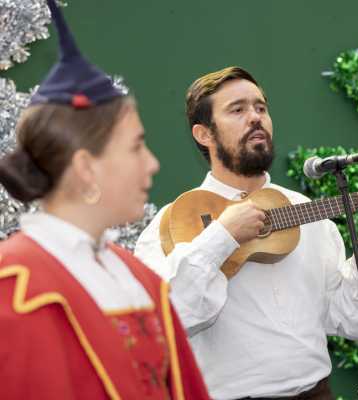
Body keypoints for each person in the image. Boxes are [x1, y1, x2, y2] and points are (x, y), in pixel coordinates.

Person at [134, 66, 358, 399]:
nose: (255, 117)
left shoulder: (305, 211)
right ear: (204, 134)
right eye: (237, 110)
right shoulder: (169, 223)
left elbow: (357, 321)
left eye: (260, 107)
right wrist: (222, 236)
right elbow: (166, 318)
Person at [0, 1, 211, 399]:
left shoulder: (139, 279)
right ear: (85, 167)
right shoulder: (16, 288)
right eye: (135, 147)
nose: (152, 163)